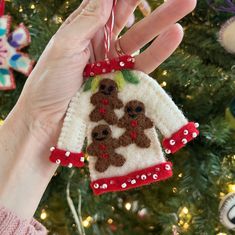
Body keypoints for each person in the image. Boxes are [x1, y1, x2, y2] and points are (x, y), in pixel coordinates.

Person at [0, 0, 196, 233]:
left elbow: (159, 103)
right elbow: (74, 121)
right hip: (108, 162)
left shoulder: (131, 83)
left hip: (143, 157)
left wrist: (177, 130)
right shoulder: (87, 93)